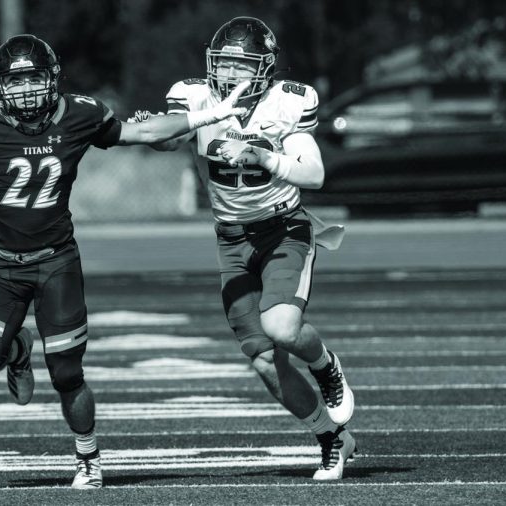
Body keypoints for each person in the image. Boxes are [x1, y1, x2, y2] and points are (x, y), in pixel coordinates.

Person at [0, 34, 248, 489]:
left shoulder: (80, 113)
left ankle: (88, 457)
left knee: (68, 373)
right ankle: (18, 349)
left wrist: (205, 116)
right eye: (14, 82)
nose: (25, 90)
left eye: (34, 78)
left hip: (56, 261)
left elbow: (142, 132)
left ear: (53, 79)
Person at [136, 16, 356, 480]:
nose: (230, 74)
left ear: (265, 68)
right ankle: (330, 438)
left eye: (241, 64)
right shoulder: (196, 96)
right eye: (224, 64)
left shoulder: (287, 102)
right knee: (262, 358)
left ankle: (325, 365)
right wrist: (158, 130)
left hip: (283, 231)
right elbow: (167, 142)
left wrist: (262, 156)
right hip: (231, 239)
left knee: (281, 327)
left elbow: (314, 174)